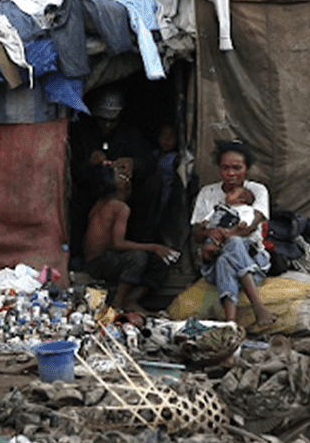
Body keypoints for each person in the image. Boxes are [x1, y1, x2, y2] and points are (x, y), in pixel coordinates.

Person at [190, 140, 276, 331]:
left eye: (237, 168)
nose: (231, 173)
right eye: (225, 168)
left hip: (254, 263)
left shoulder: (256, 191)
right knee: (223, 256)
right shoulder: (207, 193)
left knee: (233, 246)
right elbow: (197, 234)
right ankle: (254, 313)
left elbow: (251, 227)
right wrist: (208, 232)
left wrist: (224, 234)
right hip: (213, 260)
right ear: (219, 169)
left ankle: (232, 322)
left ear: (246, 168)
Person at [69, 88, 158, 260]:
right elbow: (72, 170)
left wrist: (133, 164)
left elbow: (150, 162)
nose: (108, 125)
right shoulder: (84, 134)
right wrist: (90, 162)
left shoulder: (130, 134)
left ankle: (143, 245)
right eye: (103, 120)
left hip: (123, 193)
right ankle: (76, 254)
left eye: (112, 121)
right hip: (92, 189)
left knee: (152, 186)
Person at [82, 164, 179, 313]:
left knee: (157, 264)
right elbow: (118, 244)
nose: (127, 180)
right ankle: (118, 303)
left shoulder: (99, 204)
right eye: (121, 177)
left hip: (93, 263)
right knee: (138, 257)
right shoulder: (120, 207)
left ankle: (130, 299)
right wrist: (155, 247)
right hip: (99, 263)